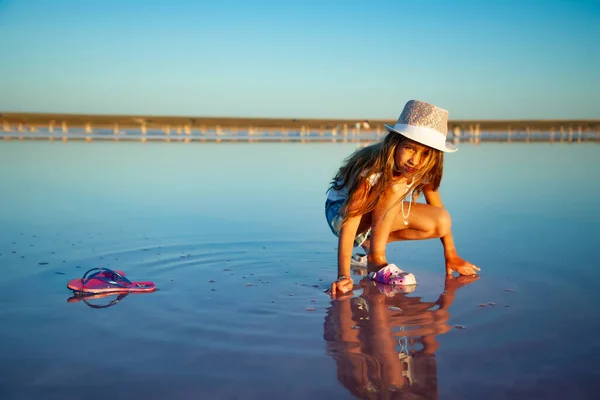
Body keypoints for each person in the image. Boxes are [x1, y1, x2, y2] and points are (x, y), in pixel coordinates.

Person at [325, 100, 480, 297]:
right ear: (395, 143)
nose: (415, 160)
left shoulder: (422, 168)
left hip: (374, 215)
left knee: (441, 221)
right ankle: (376, 258)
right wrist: (343, 275)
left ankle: (370, 246)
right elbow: (351, 219)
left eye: (426, 153)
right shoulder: (371, 169)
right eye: (410, 148)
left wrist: (451, 254)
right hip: (340, 213)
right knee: (396, 185)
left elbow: (437, 206)